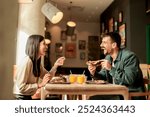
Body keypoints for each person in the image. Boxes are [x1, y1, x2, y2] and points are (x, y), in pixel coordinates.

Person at [87, 32, 145, 100]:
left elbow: (129, 79)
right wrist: (94, 72)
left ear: (114, 45)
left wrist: (111, 68)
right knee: (92, 97)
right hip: (115, 93)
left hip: (129, 95)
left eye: (104, 42)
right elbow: (103, 76)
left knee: (93, 99)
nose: (101, 45)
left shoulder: (129, 57)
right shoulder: (108, 58)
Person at [13, 34, 65, 100]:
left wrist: (55, 65)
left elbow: (47, 77)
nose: (47, 47)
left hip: (27, 97)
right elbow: (21, 87)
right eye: (44, 44)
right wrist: (39, 85)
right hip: (19, 98)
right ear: (36, 45)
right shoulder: (27, 61)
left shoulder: (36, 62)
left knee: (56, 99)